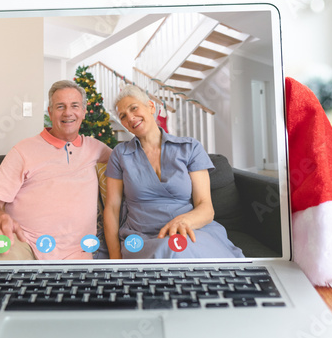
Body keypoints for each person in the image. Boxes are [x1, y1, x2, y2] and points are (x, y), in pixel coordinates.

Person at [0, 80, 112, 260]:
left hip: (78, 253)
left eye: (75, 106)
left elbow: (132, 159)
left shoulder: (95, 148)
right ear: (50, 112)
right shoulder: (24, 150)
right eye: (60, 106)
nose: (68, 112)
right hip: (25, 244)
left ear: (84, 112)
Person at [103, 84, 244, 259]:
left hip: (189, 229)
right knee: (171, 250)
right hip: (141, 237)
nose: (130, 117)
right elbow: (112, 208)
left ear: (151, 107)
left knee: (183, 251)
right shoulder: (120, 154)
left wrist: (184, 221)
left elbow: (206, 207)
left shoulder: (190, 147)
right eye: (123, 116)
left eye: (134, 108)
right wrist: (115, 258)